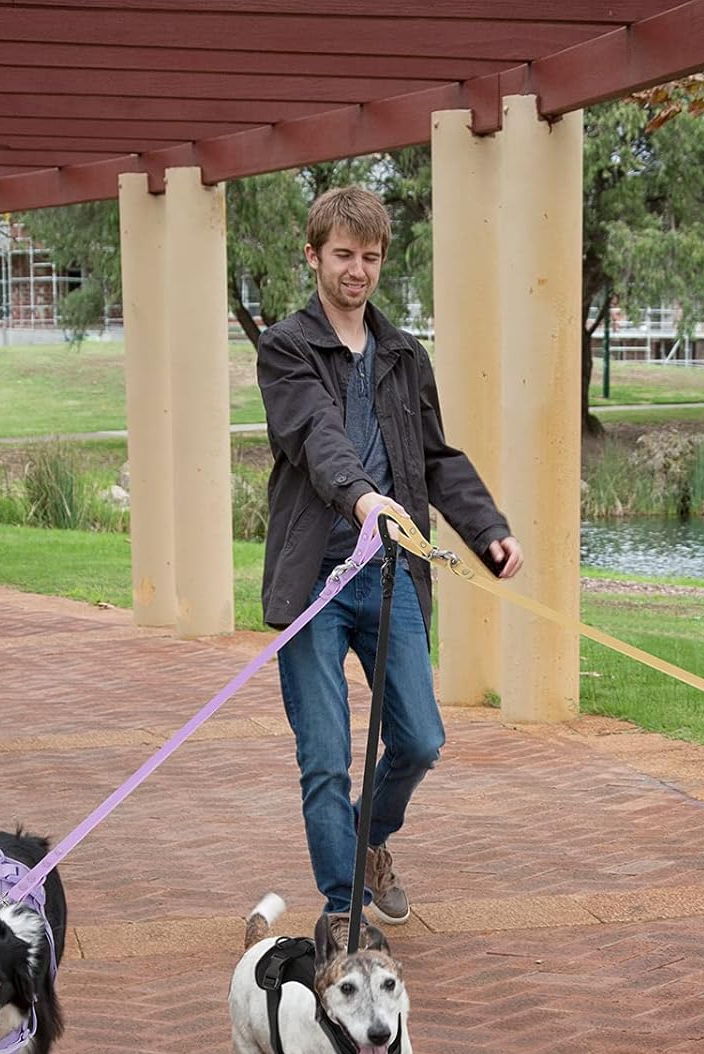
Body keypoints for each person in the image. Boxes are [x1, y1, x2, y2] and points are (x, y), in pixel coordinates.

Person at [257, 185, 522, 948]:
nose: (357, 270)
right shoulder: (286, 348)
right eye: (343, 254)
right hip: (315, 582)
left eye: (370, 257)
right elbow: (314, 434)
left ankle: (367, 841)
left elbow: (434, 458)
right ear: (313, 256)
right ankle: (343, 911)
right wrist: (363, 497)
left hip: (391, 576)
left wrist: (488, 529)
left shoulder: (404, 354)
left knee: (420, 740)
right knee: (323, 759)